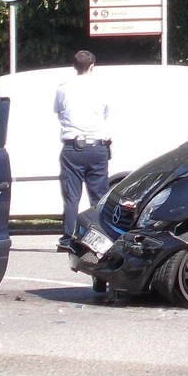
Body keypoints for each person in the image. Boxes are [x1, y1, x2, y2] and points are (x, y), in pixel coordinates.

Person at [54, 50, 112, 250]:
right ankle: (101, 236)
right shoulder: (102, 89)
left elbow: (59, 112)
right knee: (99, 196)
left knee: (71, 196)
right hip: (97, 147)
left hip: (72, 147)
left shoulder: (63, 89)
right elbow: (106, 114)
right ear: (92, 66)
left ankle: (68, 238)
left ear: (74, 66)